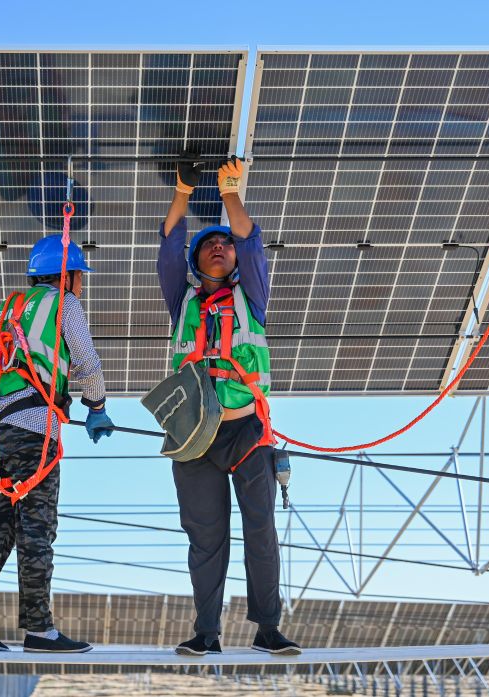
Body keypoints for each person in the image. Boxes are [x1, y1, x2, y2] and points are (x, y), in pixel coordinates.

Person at [157, 155, 301, 656]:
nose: (218, 247)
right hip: (192, 435)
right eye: (208, 245)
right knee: (206, 539)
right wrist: (182, 191)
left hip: (246, 432)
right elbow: (170, 243)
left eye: (225, 244)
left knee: (261, 530)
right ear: (197, 264)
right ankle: (206, 632)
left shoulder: (252, 296)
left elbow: (251, 238)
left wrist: (229, 193)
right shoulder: (183, 302)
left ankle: (267, 628)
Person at [0, 235, 115, 653]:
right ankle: (39, 630)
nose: (81, 285)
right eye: (80, 277)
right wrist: (96, 405)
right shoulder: (66, 305)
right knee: (37, 529)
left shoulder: (5, 310)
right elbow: (87, 362)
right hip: (37, 433)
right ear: (70, 276)